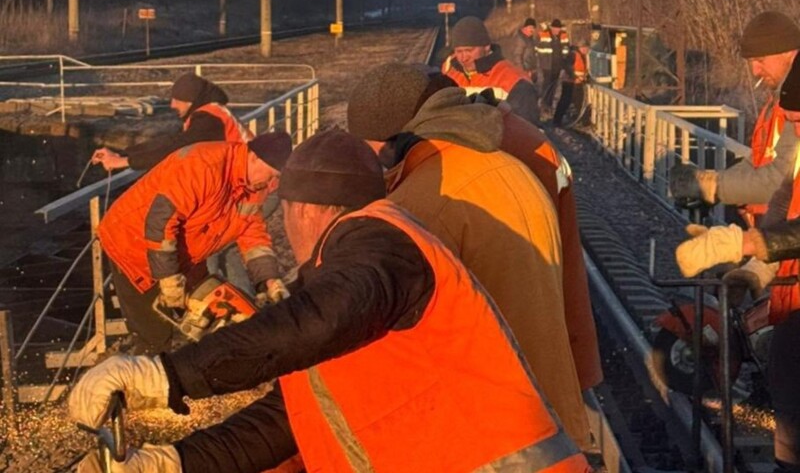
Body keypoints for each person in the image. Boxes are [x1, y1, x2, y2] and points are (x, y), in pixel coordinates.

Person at [68, 129, 592, 473]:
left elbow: (322, 318)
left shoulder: (382, 240)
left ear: (300, 209)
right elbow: (287, 422)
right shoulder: (352, 272)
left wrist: (164, 375)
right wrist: (171, 463)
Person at [348, 65, 591, 448]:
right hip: (549, 417)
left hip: (496, 436)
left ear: (396, 140)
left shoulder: (428, 202)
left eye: (378, 156)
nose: (380, 169)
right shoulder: (508, 162)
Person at [674, 63, 800, 473]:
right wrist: (755, 269)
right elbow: (785, 209)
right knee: (787, 385)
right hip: (793, 297)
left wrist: (744, 242)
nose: (795, 127)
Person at [97, 132, 292, 353]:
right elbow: (160, 223)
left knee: (214, 309)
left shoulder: (255, 185)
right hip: (133, 242)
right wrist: (169, 279)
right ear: (255, 157)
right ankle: (148, 370)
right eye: (271, 176)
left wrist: (269, 280)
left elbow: (253, 233)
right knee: (154, 333)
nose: (272, 184)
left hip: (185, 250)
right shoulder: (203, 166)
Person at [670, 11, 800, 228]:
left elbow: (778, 180)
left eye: (760, 60)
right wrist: (712, 183)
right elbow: (757, 160)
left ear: (788, 52)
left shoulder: (793, 105)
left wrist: (713, 187)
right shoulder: (776, 101)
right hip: (774, 233)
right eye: (751, 62)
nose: (755, 71)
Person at [91, 72, 253, 172]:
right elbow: (171, 141)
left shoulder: (209, 120)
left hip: (250, 185)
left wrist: (123, 162)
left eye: (177, 100)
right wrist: (124, 153)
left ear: (190, 101)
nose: (172, 105)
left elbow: (176, 148)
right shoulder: (209, 113)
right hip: (244, 177)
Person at [443, 15, 540, 123]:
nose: (463, 58)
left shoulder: (516, 82)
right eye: (458, 51)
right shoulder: (450, 77)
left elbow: (525, 132)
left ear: (486, 47)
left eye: (469, 50)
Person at [553, 40, 590, 128]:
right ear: (582, 48)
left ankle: (564, 119)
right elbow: (567, 66)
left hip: (576, 82)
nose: (587, 50)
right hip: (569, 81)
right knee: (565, 101)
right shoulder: (573, 54)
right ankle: (557, 120)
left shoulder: (582, 55)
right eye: (586, 48)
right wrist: (574, 76)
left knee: (574, 101)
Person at [537, 19, 571, 114]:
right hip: (547, 65)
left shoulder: (564, 36)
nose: (556, 30)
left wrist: (565, 62)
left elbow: (566, 49)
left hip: (558, 65)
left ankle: (549, 105)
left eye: (558, 28)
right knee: (547, 85)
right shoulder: (544, 34)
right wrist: (540, 61)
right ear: (551, 28)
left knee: (554, 86)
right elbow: (537, 49)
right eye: (555, 28)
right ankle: (544, 105)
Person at [510, 16, 539, 81]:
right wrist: (522, 72)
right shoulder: (520, 39)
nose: (532, 30)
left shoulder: (530, 39)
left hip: (531, 71)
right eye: (530, 27)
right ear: (525, 27)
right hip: (525, 72)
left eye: (533, 28)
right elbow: (517, 57)